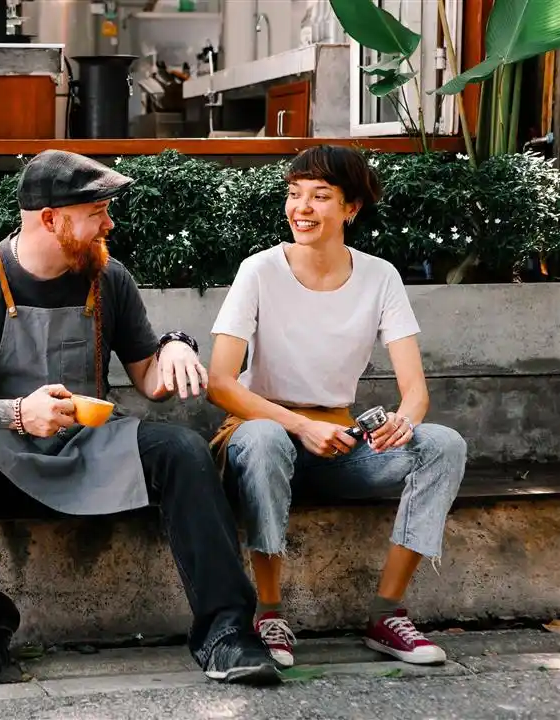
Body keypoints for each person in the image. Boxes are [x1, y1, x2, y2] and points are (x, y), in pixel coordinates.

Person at [0, 149, 280, 687]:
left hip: (90, 445)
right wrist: (17, 413)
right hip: (4, 454)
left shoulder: (109, 278)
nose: (110, 224)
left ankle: (226, 634)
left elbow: (150, 381)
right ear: (50, 219)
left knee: (183, 450)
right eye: (97, 213)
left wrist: (176, 346)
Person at [206, 145, 467, 669]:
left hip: (338, 444)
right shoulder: (259, 270)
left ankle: (387, 614)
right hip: (260, 434)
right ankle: (268, 613)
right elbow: (219, 384)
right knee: (265, 438)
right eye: (294, 193)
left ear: (351, 208)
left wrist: (403, 422)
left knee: (443, 444)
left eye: (320, 196)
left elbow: (415, 391)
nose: (301, 207)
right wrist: (302, 426)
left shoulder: (380, 276)